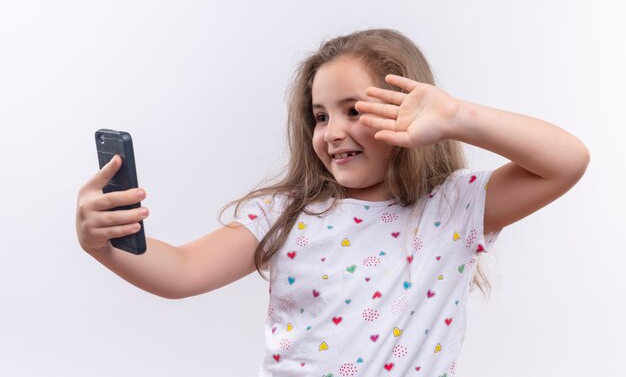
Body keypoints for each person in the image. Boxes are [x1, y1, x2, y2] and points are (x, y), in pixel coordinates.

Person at [75, 28, 590, 376]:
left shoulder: (453, 208)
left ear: (412, 113)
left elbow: (566, 160)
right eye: (321, 116)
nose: (333, 132)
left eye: (353, 110)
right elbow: (182, 271)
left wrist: (459, 116)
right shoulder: (286, 213)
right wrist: (105, 244)